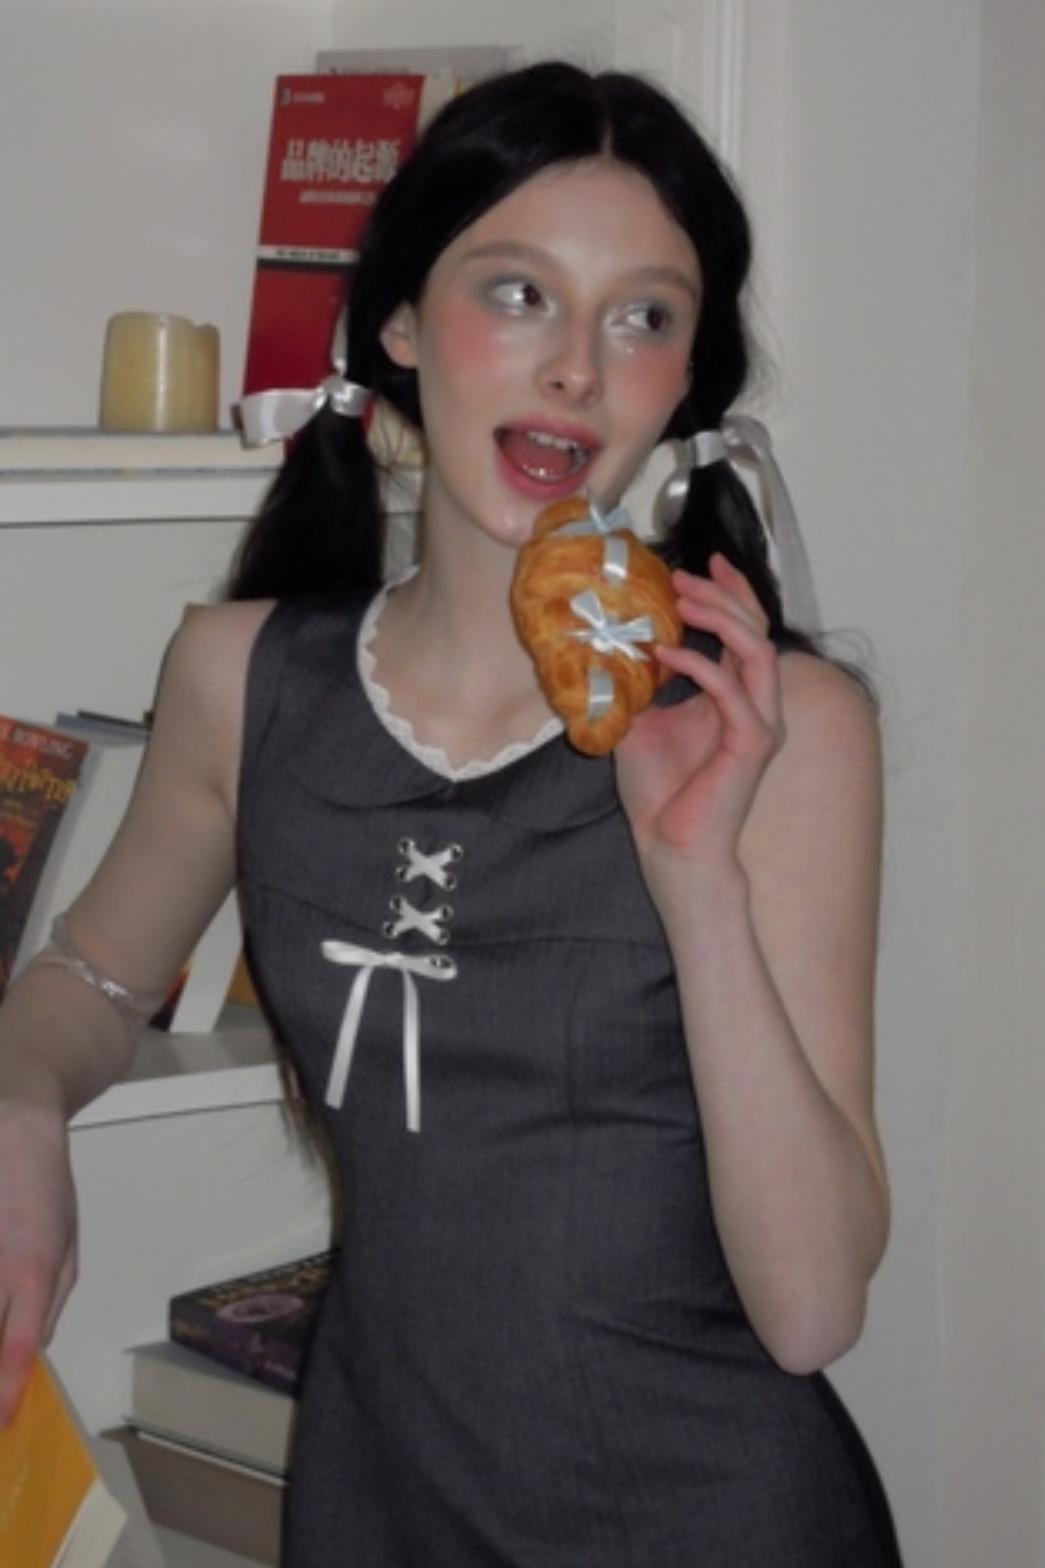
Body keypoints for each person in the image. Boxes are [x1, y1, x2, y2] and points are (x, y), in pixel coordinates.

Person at [0, 61, 902, 1565]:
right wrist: (23, 1105)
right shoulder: (242, 677)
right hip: (379, 1502)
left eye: (643, 317)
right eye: (519, 293)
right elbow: (90, 979)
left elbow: (810, 1314)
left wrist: (696, 884)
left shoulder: (777, 729)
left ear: (686, 377)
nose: (577, 371)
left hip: (714, 1516)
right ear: (404, 323)